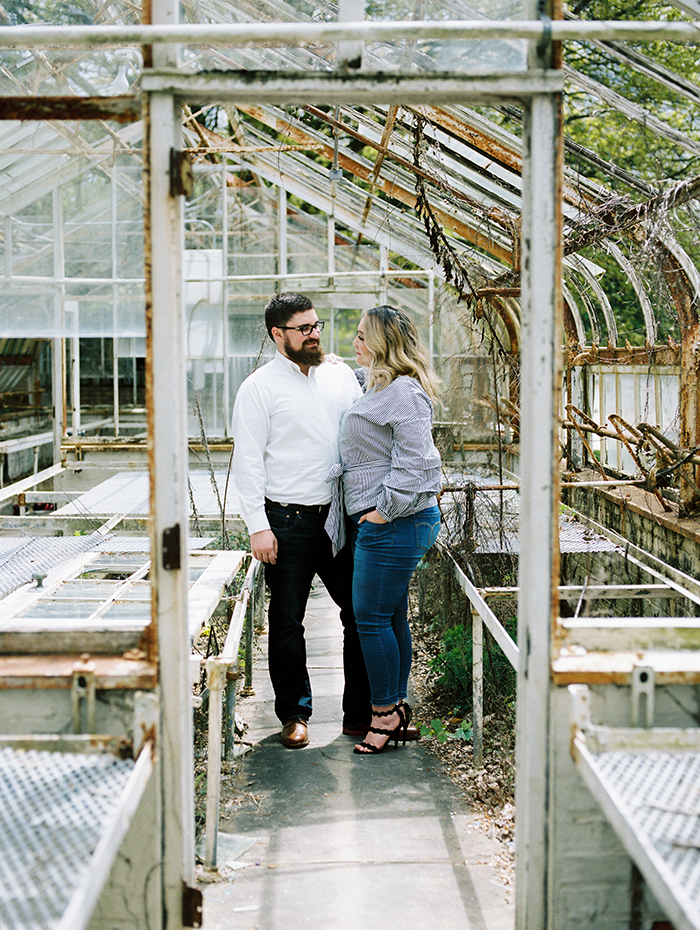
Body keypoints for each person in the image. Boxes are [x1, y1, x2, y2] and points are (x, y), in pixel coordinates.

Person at [231, 292, 371, 748]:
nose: (314, 334)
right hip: (286, 520)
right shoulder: (259, 388)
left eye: (316, 326)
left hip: (340, 516)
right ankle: (294, 715)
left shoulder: (340, 377)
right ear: (278, 334)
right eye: (303, 328)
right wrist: (258, 525)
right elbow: (248, 461)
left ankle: (360, 714)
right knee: (288, 619)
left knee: (358, 613)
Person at [339, 305, 442, 754]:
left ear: (383, 343)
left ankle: (382, 715)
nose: (355, 342)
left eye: (363, 336)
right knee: (391, 616)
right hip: (392, 521)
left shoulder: (404, 392)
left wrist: (384, 509)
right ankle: (395, 707)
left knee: (370, 619)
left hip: (396, 523)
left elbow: (419, 460)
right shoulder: (379, 385)